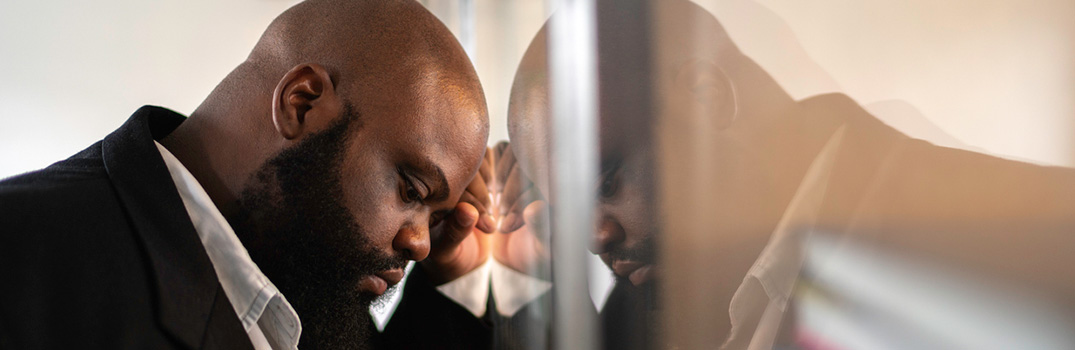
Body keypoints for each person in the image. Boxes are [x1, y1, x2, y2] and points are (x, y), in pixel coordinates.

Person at [497, 0, 1075, 349]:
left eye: (606, 181)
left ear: (704, 97)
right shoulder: (633, 317)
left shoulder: (1042, 239)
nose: (594, 235)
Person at [0, 0, 495, 349]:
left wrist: (454, 282)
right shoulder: (22, 256)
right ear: (301, 103)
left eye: (434, 217)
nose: (421, 244)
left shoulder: (297, 277)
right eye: (412, 189)